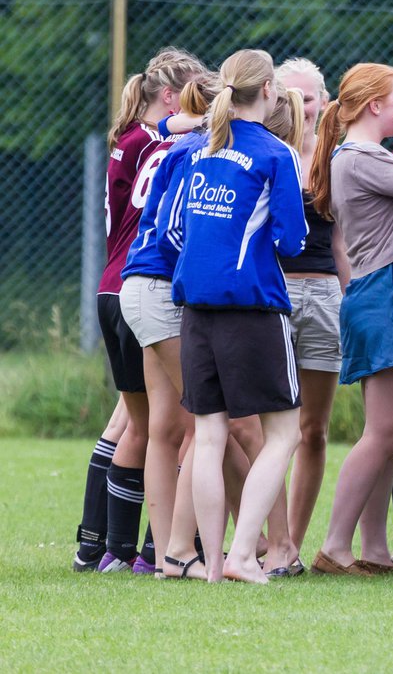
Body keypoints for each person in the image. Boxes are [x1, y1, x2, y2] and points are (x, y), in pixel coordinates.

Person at [167, 48, 308, 583]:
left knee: (209, 435)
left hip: (195, 307)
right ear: (269, 90)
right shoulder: (276, 153)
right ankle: (245, 555)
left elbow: (176, 229)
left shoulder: (198, 149)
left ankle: (211, 566)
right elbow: (293, 240)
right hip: (251, 308)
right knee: (284, 433)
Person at [309, 63, 393, 575]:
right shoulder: (360, 157)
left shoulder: (364, 157)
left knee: (390, 432)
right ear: (373, 107)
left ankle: (374, 548)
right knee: (385, 433)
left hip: (382, 295)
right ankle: (336, 546)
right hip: (388, 297)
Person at [92, 46, 207, 573]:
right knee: (170, 426)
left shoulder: (127, 140)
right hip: (145, 282)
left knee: (136, 427)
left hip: (112, 290)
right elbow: (184, 125)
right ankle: (151, 548)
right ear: (169, 97)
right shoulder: (158, 141)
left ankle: (105, 548)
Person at [118, 68, 216, 575]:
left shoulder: (164, 141)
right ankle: (179, 549)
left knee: (164, 426)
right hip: (160, 287)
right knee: (206, 418)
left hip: (135, 283)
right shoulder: (199, 149)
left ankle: (161, 554)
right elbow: (177, 230)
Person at [274, 58, 351, 554]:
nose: (303, 107)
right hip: (272, 295)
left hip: (324, 294)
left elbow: (343, 243)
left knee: (313, 430)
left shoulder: (337, 158)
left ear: (325, 102)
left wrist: (353, 300)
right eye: (292, 97)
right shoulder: (260, 153)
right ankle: (266, 538)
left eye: (310, 98)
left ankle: (294, 545)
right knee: (261, 428)